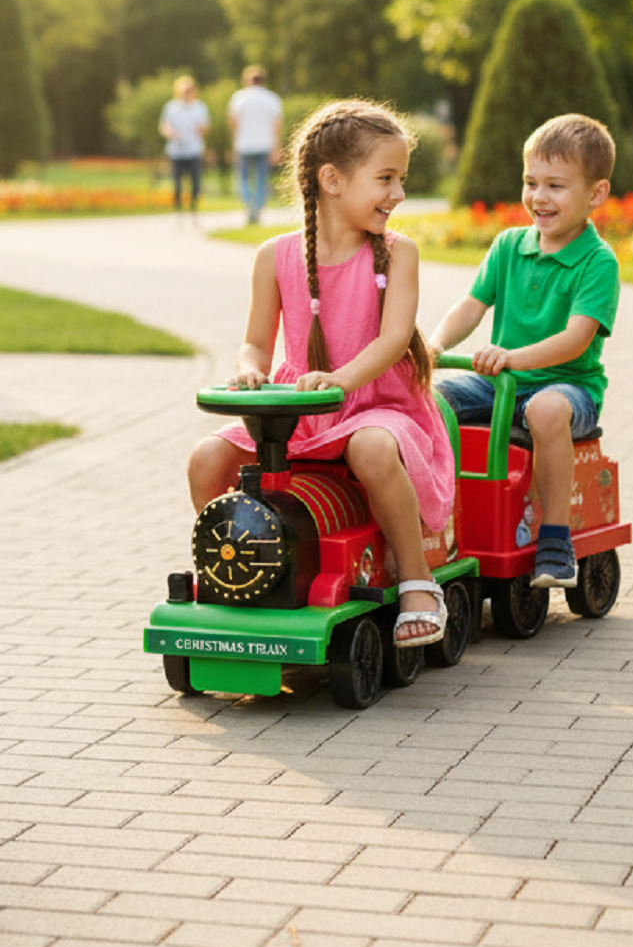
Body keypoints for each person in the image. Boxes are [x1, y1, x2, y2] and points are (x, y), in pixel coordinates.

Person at [188, 98, 454, 647]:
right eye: (385, 178)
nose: (398, 194)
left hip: (377, 401)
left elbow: (393, 340)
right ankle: (244, 568)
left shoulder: (398, 254)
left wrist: (341, 380)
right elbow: (255, 343)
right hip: (301, 407)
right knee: (206, 456)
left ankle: (417, 581)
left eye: (401, 179)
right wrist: (249, 372)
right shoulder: (275, 256)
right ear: (332, 179)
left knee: (372, 450)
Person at [428, 113, 619, 591]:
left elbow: (575, 339)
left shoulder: (597, 262)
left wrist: (512, 358)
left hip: (569, 385)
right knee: (431, 402)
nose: (538, 197)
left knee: (546, 409)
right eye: (531, 182)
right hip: (501, 381)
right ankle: (438, 518)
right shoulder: (508, 245)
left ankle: (555, 539)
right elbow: (472, 306)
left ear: (595, 194)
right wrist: (433, 344)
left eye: (555, 185)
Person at [228, 65, 284, 224]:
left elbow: (234, 122)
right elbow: (276, 125)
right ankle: (258, 208)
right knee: (261, 179)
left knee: (244, 178)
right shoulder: (272, 98)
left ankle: (249, 205)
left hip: (244, 145)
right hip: (264, 144)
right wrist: (276, 147)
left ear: (246, 80)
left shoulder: (239, 98)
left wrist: (234, 142)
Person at [158, 75, 210, 218]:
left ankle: (193, 206)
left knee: (195, 180)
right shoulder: (171, 107)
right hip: (177, 150)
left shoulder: (199, 107)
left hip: (194, 149)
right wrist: (171, 132)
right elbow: (164, 125)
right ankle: (178, 208)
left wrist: (201, 129)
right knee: (177, 181)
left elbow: (205, 126)